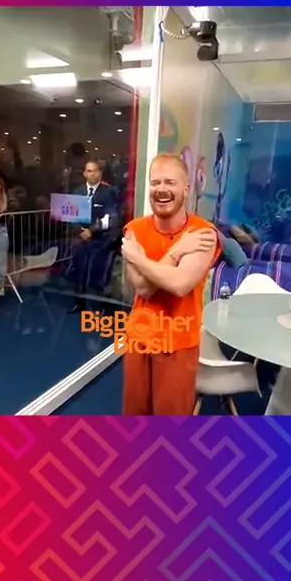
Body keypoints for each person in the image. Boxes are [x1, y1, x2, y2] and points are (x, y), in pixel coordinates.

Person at [121, 153, 221, 415]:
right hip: (139, 338)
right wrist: (177, 252)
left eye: (170, 182)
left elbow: (180, 284)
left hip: (179, 341)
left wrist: (138, 258)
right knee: (134, 418)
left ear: (186, 189)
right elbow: (143, 288)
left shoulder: (203, 233)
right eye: (155, 183)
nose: (161, 189)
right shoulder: (134, 230)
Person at [69, 160, 120, 305]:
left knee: (95, 267)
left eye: (95, 171)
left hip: (102, 238)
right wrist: (81, 231)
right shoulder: (77, 191)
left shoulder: (109, 192)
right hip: (81, 237)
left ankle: (97, 302)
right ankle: (79, 302)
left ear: (100, 173)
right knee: (78, 266)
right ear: (85, 174)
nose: (92, 174)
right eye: (89, 171)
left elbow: (111, 218)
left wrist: (91, 231)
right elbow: (71, 216)